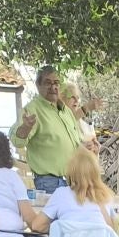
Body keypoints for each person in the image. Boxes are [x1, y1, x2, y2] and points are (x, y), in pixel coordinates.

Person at [14, 65, 85, 193]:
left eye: (56, 83)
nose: (53, 87)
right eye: (48, 83)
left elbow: (75, 142)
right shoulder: (32, 110)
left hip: (73, 180)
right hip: (50, 182)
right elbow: (17, 141)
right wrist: (25, 127)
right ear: (38, 85)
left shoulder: (66, 111)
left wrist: (87, 147)